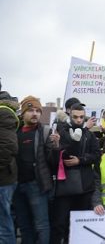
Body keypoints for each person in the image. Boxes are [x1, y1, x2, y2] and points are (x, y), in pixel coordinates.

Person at [49, 103, 101, 243]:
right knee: (59, 224)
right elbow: (56, 158)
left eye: (81, 117)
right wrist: (56, 147)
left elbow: (97, 155)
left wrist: (81, 160)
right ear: (69, 116)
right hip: (64, 186)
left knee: (78, 225)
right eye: (75, 117)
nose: (78, 120)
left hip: (84, 187)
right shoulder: (61, 132)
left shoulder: (89, 135)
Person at [14, 96, 53, 244]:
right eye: (30, 110)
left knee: (41, 225)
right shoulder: (15, 132)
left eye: (38, 111)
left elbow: (52, 161)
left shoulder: (45, 132)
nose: (35, 114)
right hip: (16, 185)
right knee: (24, 225)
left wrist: (55, 148)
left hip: (36, 185)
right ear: (22, 113)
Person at [0, 89, 19, 243]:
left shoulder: (3, 112)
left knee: (3, 224)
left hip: (3, 179)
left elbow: (7, 146)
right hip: (4, 177)